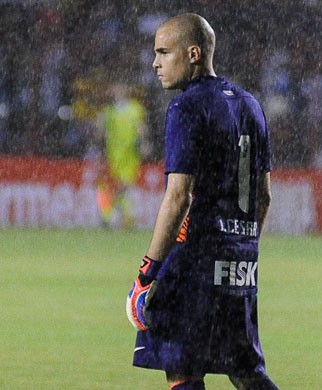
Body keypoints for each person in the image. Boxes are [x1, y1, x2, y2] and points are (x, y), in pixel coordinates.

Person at [125, 13, 279, 390]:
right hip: (239, 263)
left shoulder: (187, 106)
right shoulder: (250, 105)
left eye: (164, 52)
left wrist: (147, 273)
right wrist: (242, 249)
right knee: (245, 371)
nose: (155, 63)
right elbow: (264, 195)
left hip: (195, 260)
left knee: (182, 367)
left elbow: (178, 196)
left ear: (193, 54)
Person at [95, 81, 149, 228]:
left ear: (125, 92)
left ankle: (116, 216)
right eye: (115, 91)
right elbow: (99, 132)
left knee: (125, 185)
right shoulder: (108, 111)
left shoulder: (135, 109)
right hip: (112, 155)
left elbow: (141, 127)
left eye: (119, 91)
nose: (116, 94)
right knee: (111, 186)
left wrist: (144, 143)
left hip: (129, 154)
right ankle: (116, 217)